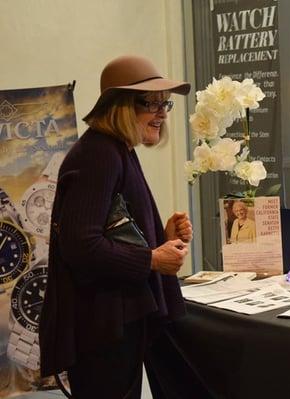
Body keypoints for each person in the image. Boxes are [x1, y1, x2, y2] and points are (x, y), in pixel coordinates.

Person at [39, 55, 193, 398]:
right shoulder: (99, 154)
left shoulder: (115, 150)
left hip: (114, 320)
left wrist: (160, 238)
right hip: (101, 326)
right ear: (121, 105)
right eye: (150, 102)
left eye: (163, 102)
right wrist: (152, 260)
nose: (162, 112)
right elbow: (81, 245)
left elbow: (110, 229)